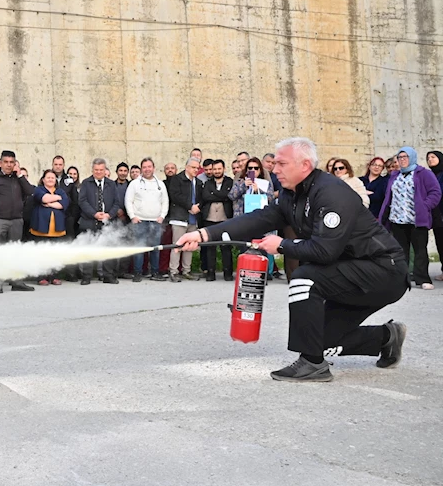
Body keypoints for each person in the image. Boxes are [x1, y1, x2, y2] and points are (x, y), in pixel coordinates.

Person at [176, 137, 410, 383]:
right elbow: (259, 219)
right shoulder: (292, 194)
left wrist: (282, 245)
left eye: (281, 164)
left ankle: (312, 364)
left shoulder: (331, 193)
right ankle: (387, 337)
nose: (274, 169)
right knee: (318, 337)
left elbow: (325, 251)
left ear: (305, 165)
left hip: (383, 270)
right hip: (353, 270)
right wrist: (203, 234)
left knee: (304, 278)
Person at [378, 146, 441, 291]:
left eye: (405, 157)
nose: (402, 160)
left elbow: (435, 192)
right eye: (400, 157)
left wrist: (425, 206)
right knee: (401, 251)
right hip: (397, 219)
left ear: (412, 157)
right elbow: (389, 196)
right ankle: (402, 279)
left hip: (417, 220)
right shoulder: (395, 175)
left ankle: (422, 279)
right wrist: (384, 215)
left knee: (420, 251)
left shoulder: (423, 173)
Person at [0, 150, 36, 293]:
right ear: (0, 163)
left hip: (16, 220)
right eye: (6, 162)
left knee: (15, 252)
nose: (8, 165)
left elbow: (30, 191)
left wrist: (20, 176)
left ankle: (16, 282)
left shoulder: (18, 178)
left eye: (12, 162)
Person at [125, 157, 169, 282]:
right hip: (140, 221)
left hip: (156, 221)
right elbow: (128, 200)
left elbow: (165, 201)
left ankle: (155, 272)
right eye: (144, 167)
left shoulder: (160, 184)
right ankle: (138, 273)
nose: (147, 169)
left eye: (149, 167)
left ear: (153, 168)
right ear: (141, 169)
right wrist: (132, 216)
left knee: (155, 249)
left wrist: (162, 216)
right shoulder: (134, 184)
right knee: (139, 248)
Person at [78, 158, 120, 285]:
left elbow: (116, 202)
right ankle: (87, 276)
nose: (98, 172)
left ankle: (108, 276)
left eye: (101, 170)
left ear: (105, 170)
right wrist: (94, 214)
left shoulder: (111, 184)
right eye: (96, 170)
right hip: (89, 221)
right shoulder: (86, 183)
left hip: (107, 222)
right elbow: (82, 201)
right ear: (92, 170)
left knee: (108, 249)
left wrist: (109, 215)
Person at [29, 169, 70, 285]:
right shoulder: (38, 190)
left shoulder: (61, 191)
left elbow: (63, 204)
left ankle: (54, 276)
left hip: (57, 229)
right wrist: (57, 198)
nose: (51, 179)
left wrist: (50, 203)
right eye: (48, 177)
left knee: (55, 254)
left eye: (53, 178)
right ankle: (41, 277)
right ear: (43, 179)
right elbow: (44, 198)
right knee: (41, 254)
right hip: (41, 228)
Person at [167, 157, 203, 282]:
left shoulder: (198, 182)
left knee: (190, 246)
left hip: (193, 219)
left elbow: (202, 197)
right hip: (179, 218)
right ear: (186, 167)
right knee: (177, 245)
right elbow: (175, 195)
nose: (196, 170)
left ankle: (186, 270)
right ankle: (174, 271)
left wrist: (198, 207)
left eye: (197, 168)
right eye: (193, 167)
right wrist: (189, 206)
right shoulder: (177, 179)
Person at [200, 159, 234, 281]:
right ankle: (210, 273)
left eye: (219, 169)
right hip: (209, 218)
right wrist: (221, 195)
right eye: (215, 169)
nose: (217, 171)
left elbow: (228, 196)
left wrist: (214, 193)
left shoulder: (230, 181)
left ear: (224, 169)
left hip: (225, 218)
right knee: (210, 247)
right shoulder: (208, 183)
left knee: (226, 246)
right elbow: (205, 196)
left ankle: (228, 273)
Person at [426, 151, 443, 281]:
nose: (430, 159)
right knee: (440, 244)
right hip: (436, 216)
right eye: (428, 158)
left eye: (433, 157)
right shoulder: (430, 175)